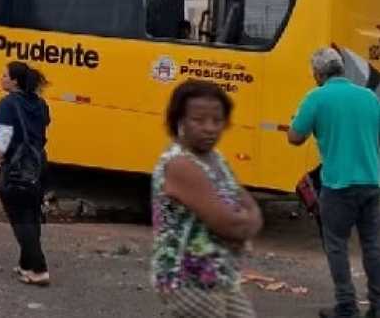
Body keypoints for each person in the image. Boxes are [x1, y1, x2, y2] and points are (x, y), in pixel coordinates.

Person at [152, 80, 263, 317]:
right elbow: (229, 223)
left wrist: (245, 222)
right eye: (198, 120)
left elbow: (250, 207)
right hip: (189, 280)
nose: (209, 128)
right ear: (179, 121)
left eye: (217, 120)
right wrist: (243, 223)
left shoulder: (216, 158)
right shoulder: (180, 163)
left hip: (221, 276)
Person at [287, 48, 380, 318]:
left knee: (337, 245)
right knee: (372, 245)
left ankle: (347, 306)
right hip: (372, 183)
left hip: (338, 186)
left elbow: (294, 137)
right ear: (341, 69)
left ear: (317, 74)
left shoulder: (317, 97)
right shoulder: (369, 97)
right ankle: (377, 306)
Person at [0, 61, 51, 286]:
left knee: (20, 219)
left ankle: (39, 268)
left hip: (16, 167)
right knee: (31, 215)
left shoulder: (7, 104)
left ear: (15, 81)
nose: (1, 78)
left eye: (4, 75)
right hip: (38, 166)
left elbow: (2, 139)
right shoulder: (41, 104)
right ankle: (26, 265)